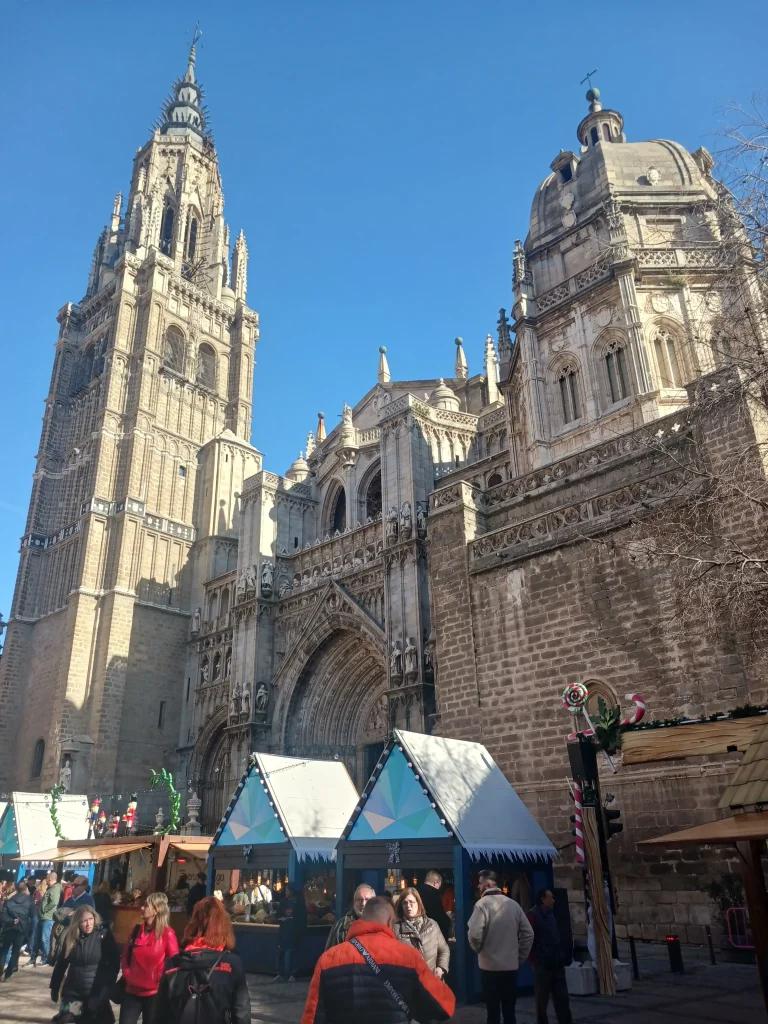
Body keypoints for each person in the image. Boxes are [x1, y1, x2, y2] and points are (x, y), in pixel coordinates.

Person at [301, 895, 455, 1024]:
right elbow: (444, 1006)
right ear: (389, 922)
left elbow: (312, 1016)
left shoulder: (329, 958)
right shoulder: (409, 957)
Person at [155, 896, 250, 1024]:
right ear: (224, 926)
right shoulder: (232, 964)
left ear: (193, 924)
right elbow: (241, 1014)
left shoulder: (172, 964)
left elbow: (159, 1014)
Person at [468, 870, 534, 1024]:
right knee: (510, 1011)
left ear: (488, 884)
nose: (478, 886)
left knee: (493, 1012)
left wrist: (478, 949)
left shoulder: (481, 905)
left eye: (480, 882)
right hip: (510, 968)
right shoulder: (513, 905)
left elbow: (474, 935)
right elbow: (528, 933)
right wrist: (519, 957)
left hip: (489, 968)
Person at [50, 905, 119, 1023]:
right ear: (77, 923)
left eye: (90, 919)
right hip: (74, 993)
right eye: (83, 921)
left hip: (96, 993)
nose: (88, 924)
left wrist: (106, 988)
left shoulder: (103, 936)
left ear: (95, 918)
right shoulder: (71, 938)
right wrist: (55, 986)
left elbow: (114, 964)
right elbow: (61, 964)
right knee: (66, 1019)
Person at [119, 891, 179, 1024]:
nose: (142, 908)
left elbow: (174, 964)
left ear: (156, 910)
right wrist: (127, 972)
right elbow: (125, 955)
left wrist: (160, 980)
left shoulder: (167, 934)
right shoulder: (136, 930)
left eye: (146, 906)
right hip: (132, 990)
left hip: (154, 994)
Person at [528, 889, 573, 1024]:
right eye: (551, 897)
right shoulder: (533, 915)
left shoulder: (554, 914)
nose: (553, 900)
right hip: (542, 964)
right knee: (542, 1001)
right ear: (543, 899)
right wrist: (534, 960)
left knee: (562, 999)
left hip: (557, 963)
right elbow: (527, 939)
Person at [393, 887, 450, 979]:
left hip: (432, 981)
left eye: (412, 902)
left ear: (418, 904)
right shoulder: (396, 928)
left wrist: (440, 968)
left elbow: (444, 950)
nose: (408, 906)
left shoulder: (432, 925)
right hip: (407, 983)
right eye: (405, 903)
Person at [0, 880, 35, 981]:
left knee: (4, 949)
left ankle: (0, 969)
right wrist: (31, 932)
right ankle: (8, 973)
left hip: (9, 928)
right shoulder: (30, 901)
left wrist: (10, 921)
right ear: (25, 889)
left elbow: (3, 916)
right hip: (22, 929)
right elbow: (33, 917)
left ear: (16, 889)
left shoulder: (9, 900)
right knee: (15, 952)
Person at [324, 882, 375, 949]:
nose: (363, 903)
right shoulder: (340, 925)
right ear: (354, 902)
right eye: (359, 899)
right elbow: (329, 954)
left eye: (367, 899)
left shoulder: (382, 924)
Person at [273, 883, 306, 982]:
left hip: (293, 930)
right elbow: (278, 915)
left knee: (291, 952)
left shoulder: (299, 902)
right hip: (284, 930)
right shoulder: (283, 902)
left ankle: (292, 974)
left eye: (287, 890)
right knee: (281, 952)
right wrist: (280, 918)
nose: (286, 892)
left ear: (292, 891)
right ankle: (280, 973)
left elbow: (302, 918)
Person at [418, 870, 452, 941]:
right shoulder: (433, 894)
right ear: (436, 883)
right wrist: (448, 921)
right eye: (440, 884)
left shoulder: (416, 892)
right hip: (432, 935)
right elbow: (438, 916)